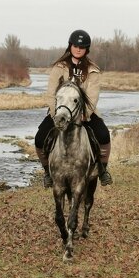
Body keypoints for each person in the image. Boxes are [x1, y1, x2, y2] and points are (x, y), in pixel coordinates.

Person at [35, 29, 113, 188]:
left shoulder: (93, 70)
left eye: (82, 47)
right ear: (70, 46)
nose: (78, 49)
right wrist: (56, 113)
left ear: (86, 49)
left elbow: (92, 96)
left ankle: (102, 170)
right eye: (75, 45)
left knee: (104, 136)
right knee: (39, 138)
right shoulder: (59, 67)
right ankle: (47, 173)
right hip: (60, 112)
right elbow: (51, 94)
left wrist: (85, 115)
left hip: (84, 114)